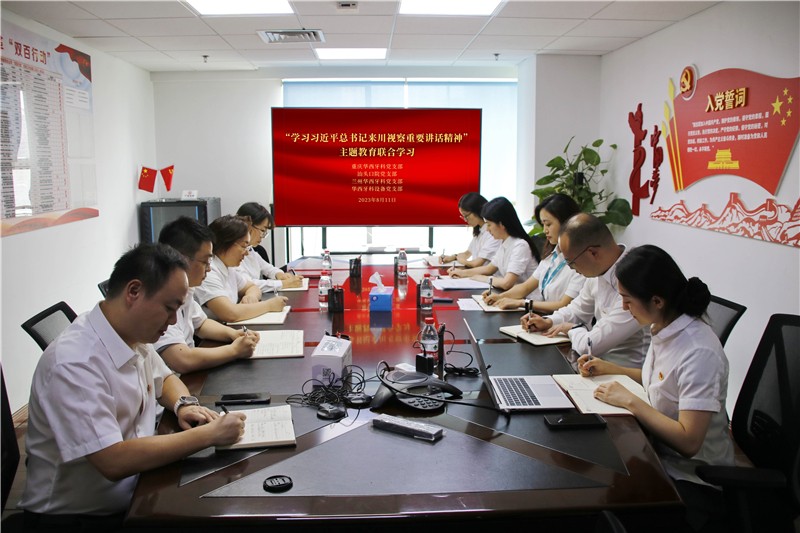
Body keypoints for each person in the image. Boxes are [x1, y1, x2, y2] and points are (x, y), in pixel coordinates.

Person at [19, 243, 246, 529]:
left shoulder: (128, 332)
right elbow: (113, 460)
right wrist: (209, 435)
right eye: (169, 308)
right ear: (134, 292)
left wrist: (184, 404)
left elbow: (166, 379)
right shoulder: (74, 362)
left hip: (139, 488)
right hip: (79, 518)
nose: (173, 321)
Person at [578, 245, 734, 532]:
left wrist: (631, 402)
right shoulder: (663, 326)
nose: (623, 307)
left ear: (657, 300)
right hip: (656, 450)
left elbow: (689, 442)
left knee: (599, 500)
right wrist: (613, 368)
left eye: (627, 300)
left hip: (691, 479)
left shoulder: (698, 351)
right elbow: (664, 382)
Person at [522, 212, 649, 368]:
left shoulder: (633, 279)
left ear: (592, 253)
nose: (571, 269)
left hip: (624, 373)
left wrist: (571, 329)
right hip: (594, 367)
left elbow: (590, 345)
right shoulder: (598, 272)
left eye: (571, 262)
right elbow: (577, 309)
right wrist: (549, 321)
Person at [156, 216, 260, 373]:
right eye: (205, 262)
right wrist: (234, 350)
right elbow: (182, 360)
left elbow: (201, 324)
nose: (209, 269)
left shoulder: (187, 290)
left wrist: (234, 334)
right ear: (180, 259)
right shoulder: (159, 298)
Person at [483, 193, 585, 312]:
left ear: (567, 222)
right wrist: (500, 297)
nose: (545, 230)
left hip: (561, 321)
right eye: (543, 225)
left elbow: (564, 305)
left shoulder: (582, 261)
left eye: (548, 224)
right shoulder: (552, 255)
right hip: (545, 317)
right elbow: (526, 287)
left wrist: (521, 303)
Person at [194, 215, 288, 323]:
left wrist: (251, 296)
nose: (247, 252)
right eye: (243, 246)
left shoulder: (228, 268)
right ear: (226, 243)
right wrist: (269, 305)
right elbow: (230, 314)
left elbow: (252, 286)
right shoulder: (209, 272)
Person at [449, 196, 540, 291]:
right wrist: (462, 273)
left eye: (489, 224)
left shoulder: (520, 246)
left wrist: (483, 278)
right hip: (510, 295)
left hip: (526, 298)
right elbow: (489, 268)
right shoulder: (505, 243)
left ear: (501, 224)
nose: (487, 229)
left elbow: (506, 283)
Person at [233, 202, 303, 293]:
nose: (262, 236)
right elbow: (247, 284)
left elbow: (267, 267)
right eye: (262, 230)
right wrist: (284, 284)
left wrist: (280, 274)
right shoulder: (233, 251)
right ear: (248, 226)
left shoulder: (250, 249)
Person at [439, 192, 501, 267]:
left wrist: (461, 261)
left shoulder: (493, 232)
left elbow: (477, 263)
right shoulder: (479, 230)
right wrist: (453, 257)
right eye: (463, 216)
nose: (465, 220)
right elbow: (468, 253)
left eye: (466, 216)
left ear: (477, 210)